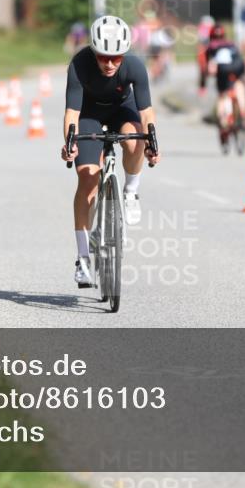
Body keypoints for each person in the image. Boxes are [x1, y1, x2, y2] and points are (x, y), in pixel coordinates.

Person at [60, 15, 160, 287]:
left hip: (121, 110)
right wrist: (69, 143)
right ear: (93, 50)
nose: (110, 63)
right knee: (88, 179)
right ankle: (82, 258)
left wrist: (152, 143)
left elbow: (146, 112)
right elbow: (72, 113)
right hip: (89, 115)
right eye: (104, 57)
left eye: (117, 58)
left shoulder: (135, 66)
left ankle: (130, 190)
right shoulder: (79, 65)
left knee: (133, 139)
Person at [205, 24, 245, 138]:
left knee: (222, 96)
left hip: (223, 69)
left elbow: (209, 67)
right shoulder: (231, 44)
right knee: (238, 85)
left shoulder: (211, 46)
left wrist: (204, 81)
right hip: (238, 66)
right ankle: (243, 112)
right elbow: (239, 57)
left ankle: (223, 122)